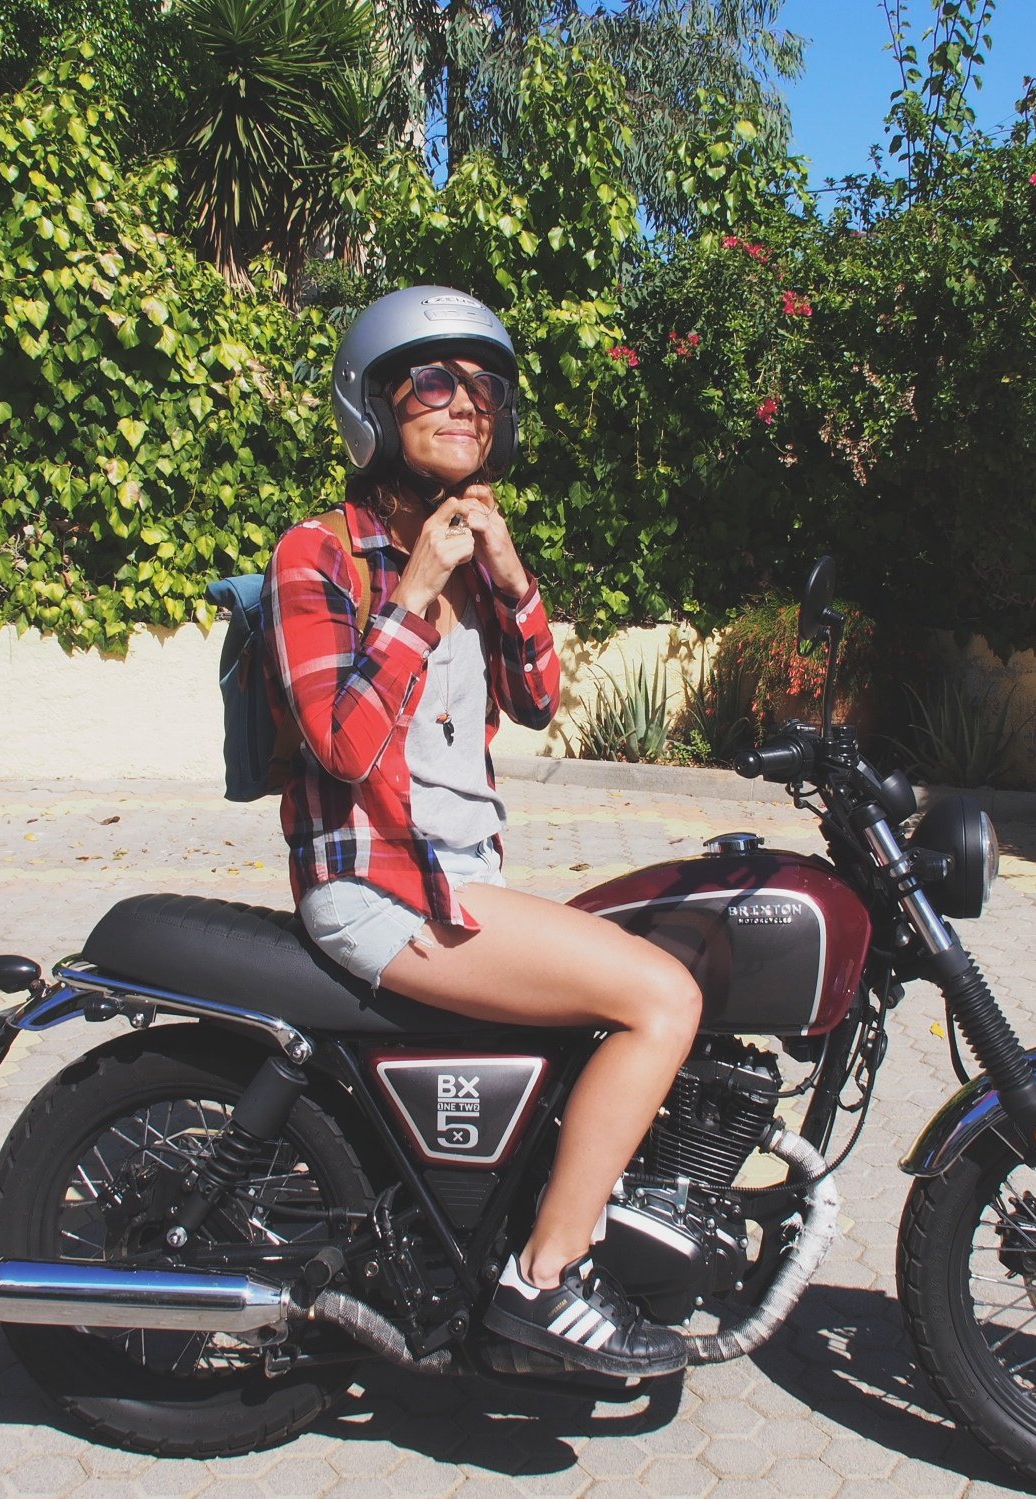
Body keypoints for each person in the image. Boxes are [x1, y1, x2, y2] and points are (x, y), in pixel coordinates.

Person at [262, 286, 703, 1377]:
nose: (464, 404)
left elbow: (546, 697)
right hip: (384, 893)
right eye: (431, 381)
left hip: (460, 882)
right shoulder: (317, 555)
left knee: (663, 958)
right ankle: (543, 1285)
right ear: (372, 405)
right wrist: (413, 594)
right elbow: (345, 746)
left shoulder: (470, 553)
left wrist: (506, 578)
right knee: (662, 996)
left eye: (483, 387)